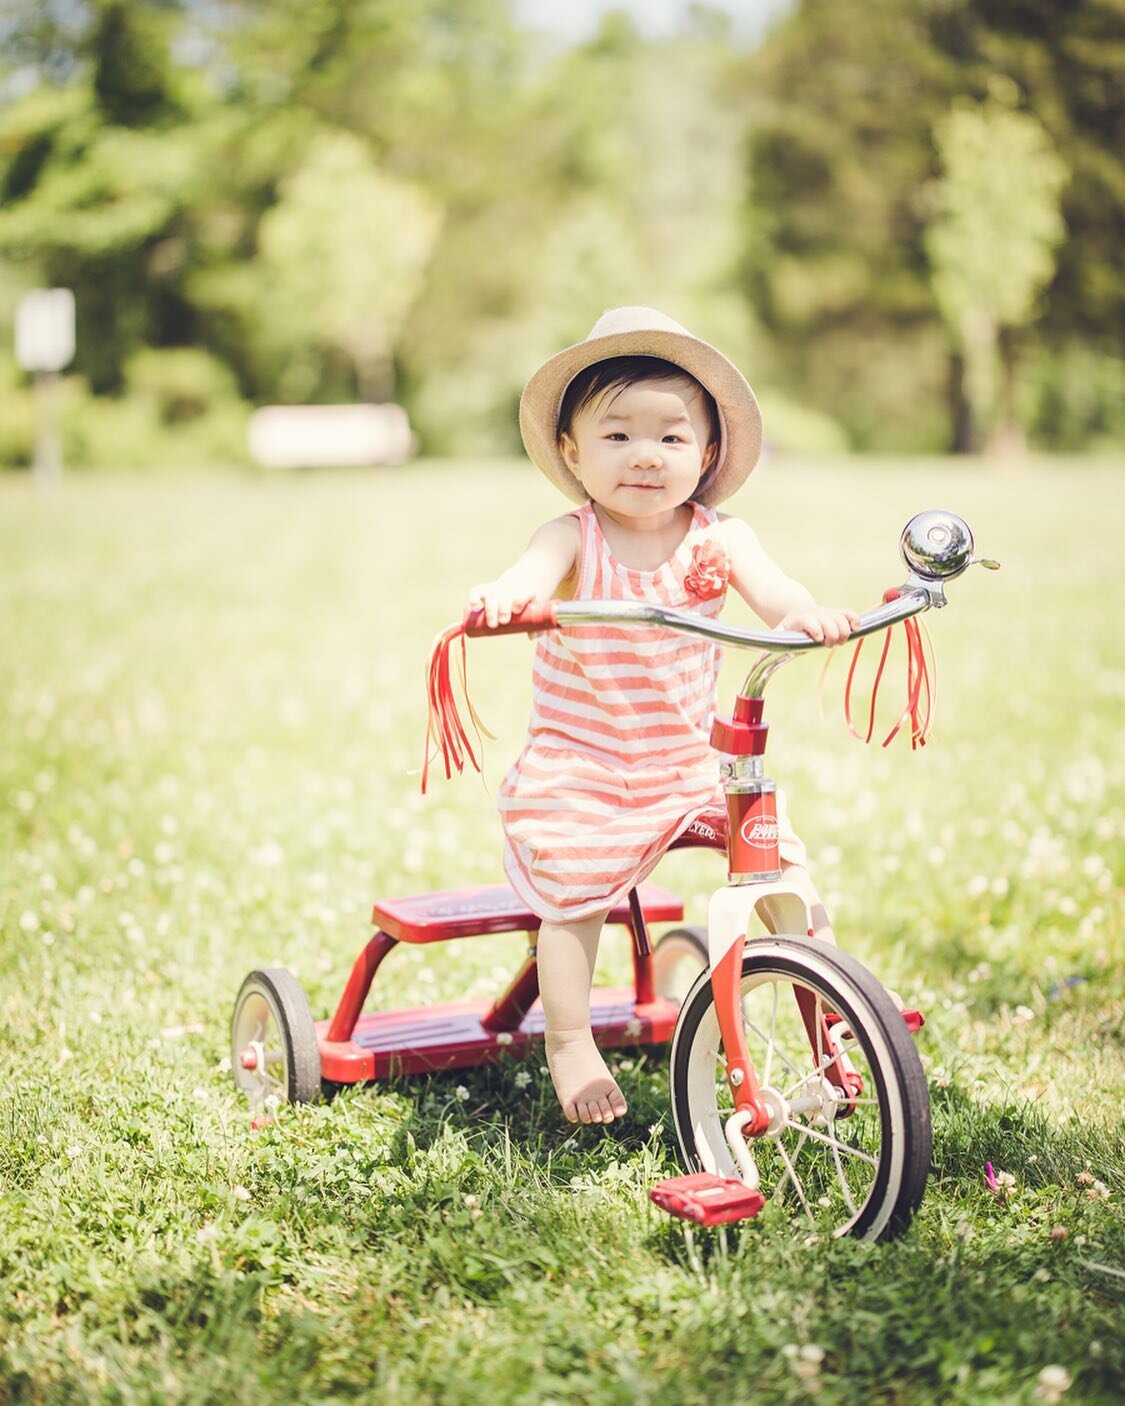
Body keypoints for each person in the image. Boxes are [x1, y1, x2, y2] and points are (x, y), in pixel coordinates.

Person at [468, 307, 858, 1126]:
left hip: (682, 762)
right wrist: (512, 598)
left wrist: (802, 613)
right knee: (574, 890)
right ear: (572, 454)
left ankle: (829, 1027)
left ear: (707, 454)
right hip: (584, 761)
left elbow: (776, 591)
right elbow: (530, 573)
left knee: (783, 866)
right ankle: (569, 1040)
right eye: (616, 437)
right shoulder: (573, 536)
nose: (646, 455)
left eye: (672, 439)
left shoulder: (719, 537)